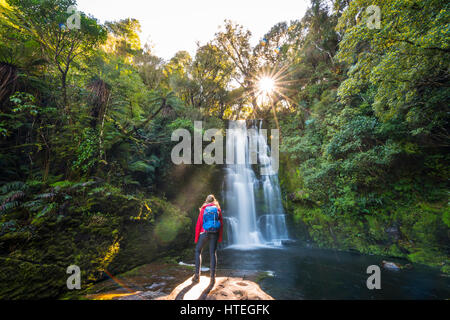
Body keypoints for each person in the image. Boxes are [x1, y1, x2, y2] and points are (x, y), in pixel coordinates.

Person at [192, 194, 223, 284]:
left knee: (198, 251)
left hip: (204, 233)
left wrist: (196, 238)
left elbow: (199, 224)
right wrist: (220, 237)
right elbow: (221, 225)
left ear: (206, 201)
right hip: (214, 233)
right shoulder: (218, 210)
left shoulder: (203, 209)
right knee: (213, 253)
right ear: (214, 201)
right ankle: (212, 277)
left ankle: (197, 276)